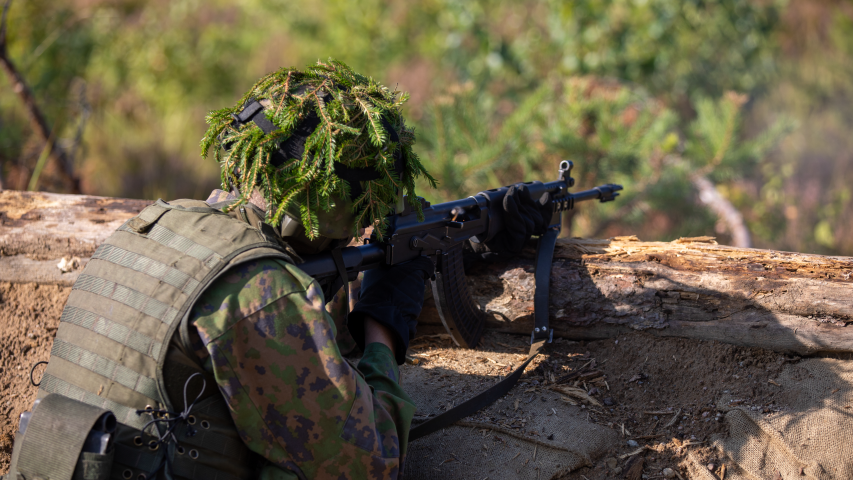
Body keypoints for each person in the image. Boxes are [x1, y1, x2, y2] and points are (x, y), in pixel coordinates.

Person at [32, 60, 436, 480]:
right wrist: (381, 329)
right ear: (331, 204)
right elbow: (369, 462)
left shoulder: (147, 228)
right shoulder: (260, 289)